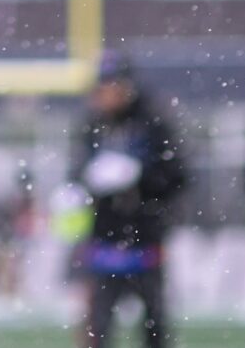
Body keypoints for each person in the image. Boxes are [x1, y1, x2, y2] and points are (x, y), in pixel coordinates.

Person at [77, 50, 187, 348]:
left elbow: (178, 176)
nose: (104, 95)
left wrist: (140, 177)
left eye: (111, 86)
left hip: (144, 239)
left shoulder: (153, 124)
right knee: (96, 327)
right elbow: (79, 172)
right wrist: (84, 184)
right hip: (104, 240)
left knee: (154, 326)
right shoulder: (93, 126)